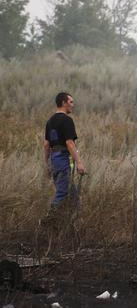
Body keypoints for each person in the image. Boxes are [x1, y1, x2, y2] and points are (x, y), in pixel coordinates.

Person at [42, 91, 85, 223]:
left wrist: (48, 165)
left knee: (73, 197)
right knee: (62, 192)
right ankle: (46, 222)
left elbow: (46, 145)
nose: (73, 104)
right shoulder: (67, 120)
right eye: (71, 102)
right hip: (62, 159)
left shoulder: (50, 121)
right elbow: (69, 143)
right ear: (63, 103)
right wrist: (79, 162)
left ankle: (73, 226)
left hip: (54, 160)